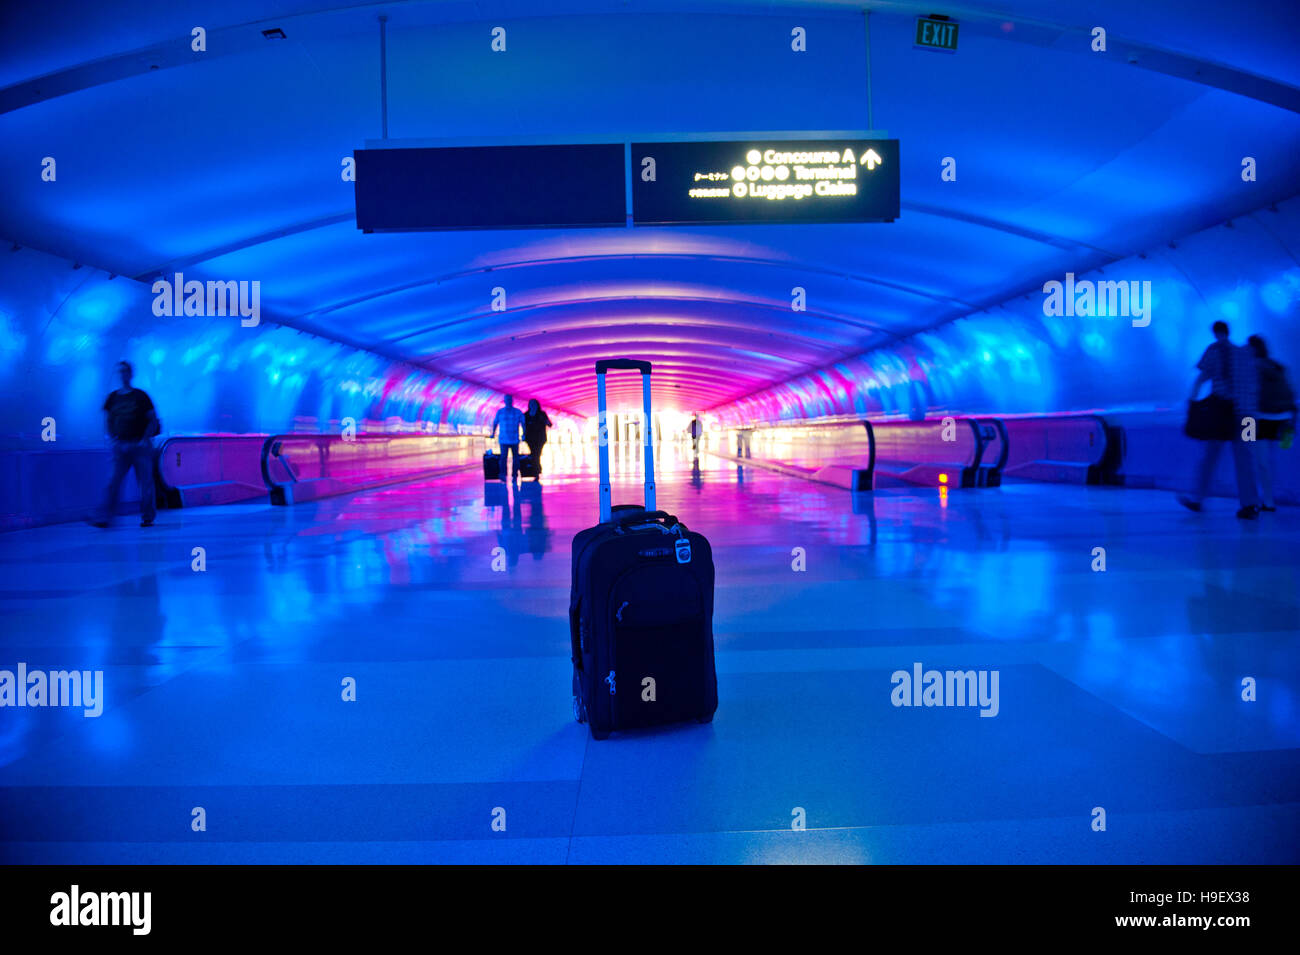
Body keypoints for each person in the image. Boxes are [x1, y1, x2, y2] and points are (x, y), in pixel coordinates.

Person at [1178, 321, 1261, 519]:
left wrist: (1191, 403)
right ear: (1229, 332)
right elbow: (1254, 384)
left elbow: (1200, 379)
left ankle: (1197, 499)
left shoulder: (1214, 350)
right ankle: (1250, 505)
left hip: (1224, 414)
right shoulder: (1245, 353)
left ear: (1215, 333)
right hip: (1248, 415)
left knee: (1210, 456)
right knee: (1246, 458)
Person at [92, 360, 160, 527]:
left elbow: (153, 420)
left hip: (140, 447)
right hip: (121, 446)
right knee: (113, 482)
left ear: (130, 373)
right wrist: (112, 439)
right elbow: (108, 420)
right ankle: (105, 517)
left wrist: (144, 440)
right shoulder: (112, 398)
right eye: (120, 371)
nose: (122, 374)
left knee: (145, 483)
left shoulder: (141, 396)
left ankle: (147, 516)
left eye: (125, 371)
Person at [1247, 335, 1297, 511]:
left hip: (1255, 419)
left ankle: (1264, 500)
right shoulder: (1279, 366)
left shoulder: (1251, 367)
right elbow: (1292, 393)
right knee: (1278, 458)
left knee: (1255, 459)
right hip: (1284, 419)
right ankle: (1273, 498)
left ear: (1251, 350)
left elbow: (1248, 396)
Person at [489, 394, 525, 483]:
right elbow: (495, 423)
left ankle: (515, 474)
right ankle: (503, 474)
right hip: (503, 439)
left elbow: (523, 424)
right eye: (507, 400)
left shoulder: (518, 412)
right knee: (503, 457)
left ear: (512, 401)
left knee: (515, 458)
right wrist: (493, 433)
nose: (508, 401)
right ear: (504, 401)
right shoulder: (500, 412)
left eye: (510, 400)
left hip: (515, 439)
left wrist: (524, 434)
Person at [523, 399, 552, 477]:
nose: (532, 406)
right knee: (534, 453)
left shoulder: (542, 414)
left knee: (537, 453)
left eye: (534, 404)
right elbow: (523, 426)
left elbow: (549, 424)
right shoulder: (526, 415)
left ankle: (536, 471)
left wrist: (545, 421)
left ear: (537, 405)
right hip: (530, 438)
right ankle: (537, 469)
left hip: (540, 438)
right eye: (531, 404)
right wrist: (523, 434)